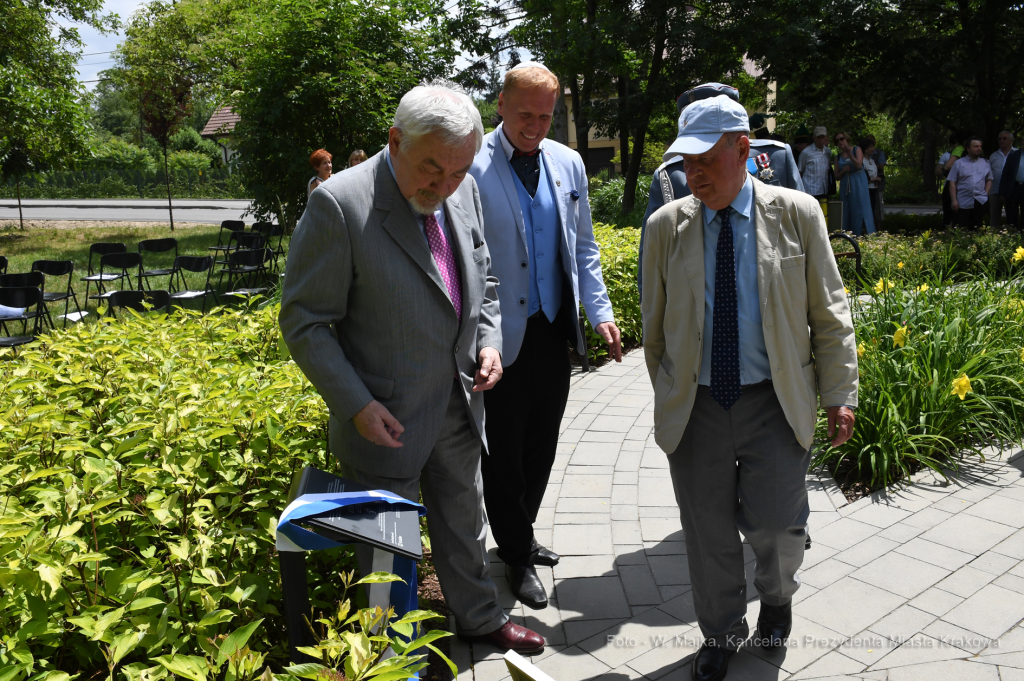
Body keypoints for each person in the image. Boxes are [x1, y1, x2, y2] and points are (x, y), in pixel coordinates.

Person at [279, 79, 545, 655]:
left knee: (465, 521)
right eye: (432, 170)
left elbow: (486, 282)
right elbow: (304, 321)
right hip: (385, 414)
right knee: (386, 547)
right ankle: (386, 653)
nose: (445, 186)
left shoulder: (463, 189)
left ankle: (478, 617)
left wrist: (490, 342)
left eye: (458, 172)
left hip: (459, 398)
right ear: (396, 140)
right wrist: (355, 403)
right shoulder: (340, 204)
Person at [640, 95, 858, 681]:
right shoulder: (665, 226)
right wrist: (673, 394)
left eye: (706, 159)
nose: (694, 175)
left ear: (743, 149)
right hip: (699, 407)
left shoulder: (798, 212)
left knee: (778, 524)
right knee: (706, 530)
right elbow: (654, 332)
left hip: (775, 401)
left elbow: (831, 315)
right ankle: (719, 633)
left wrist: (840, 393)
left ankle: (778, 598)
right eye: (686, 162)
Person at [469, 62, 621, 610]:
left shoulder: (568, 162)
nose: (536, 125)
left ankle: (522, 531)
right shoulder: (472, 164)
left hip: (553, 328)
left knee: (543, 442)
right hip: (497, 335)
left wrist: (599, 312)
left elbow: (583, 248)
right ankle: (514, 552)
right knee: (503, 450)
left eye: (546, 116)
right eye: (526, 113)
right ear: (502, 105)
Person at [638, 82, 804, 299]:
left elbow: (804, 241)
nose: (694, 171)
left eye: (706, 157)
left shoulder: (777, 156)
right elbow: (651, 271)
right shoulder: (670, 174)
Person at [833, 131, 875, 235]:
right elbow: (836, 177)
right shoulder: (837, 157)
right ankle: (847, 234)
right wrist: (843, 171)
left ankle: (863, 234)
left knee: (860, 208)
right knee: (846, 209)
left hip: (858, 182)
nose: (840, 141)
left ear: (846, 138)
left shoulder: (857, 149)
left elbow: (859, 165)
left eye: (841, 138)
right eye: (837, 140)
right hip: (845, 184)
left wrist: (849, 153)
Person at [947, 136, 992, 231]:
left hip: (979, 200)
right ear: (968, 148)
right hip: (962, 201)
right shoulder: (959, 163)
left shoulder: (986, 163)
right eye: (976, 146)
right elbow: (952, 182)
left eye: (980, 146)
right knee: (960, 229)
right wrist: (954, 200)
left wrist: (985, 194)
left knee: (977, 229)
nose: (979, 148)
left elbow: (989, 179)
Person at [937, 133, 965, 227]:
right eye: (953, 143)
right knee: (949, 213)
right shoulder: (947, 155)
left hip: (962, 188)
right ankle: (947, 233)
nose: (955, 146)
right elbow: (942, 169)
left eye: (957, 143)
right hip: (950, 186)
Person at [988, 131, 1015, 227]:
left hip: (1011, 191)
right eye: (1000, 139)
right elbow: (988, 173)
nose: (1001, 140)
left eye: (1004, 138)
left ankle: (1011, 236)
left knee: (1012, 217)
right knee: (994, 217)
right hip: (994, 190)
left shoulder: (1017, 154)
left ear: (1011, 140)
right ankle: (993, 237)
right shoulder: (993, 156)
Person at [798, 126, 832, 199]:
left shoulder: (827, 152)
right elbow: (799, 172)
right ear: (814, 138)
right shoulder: (806, 153)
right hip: (810, 192)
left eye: (823, 137)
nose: (821, 140)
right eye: (819, 137)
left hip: (824, 191)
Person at [998, 145, 1023, 230]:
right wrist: (1002, 192)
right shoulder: (1014, 154)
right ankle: (1012, 234)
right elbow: (1005, 173)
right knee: (1012, 215)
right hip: (1014, 188)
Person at [863, 134, 886, 226]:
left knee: (876, 209)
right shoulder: (862, 161)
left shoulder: (872, 160)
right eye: (870, 146)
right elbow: (864, 178)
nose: (873, 148)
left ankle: (876, 229)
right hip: (866, 189)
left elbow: (881, 166)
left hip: (875, 188)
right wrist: (875, 179)